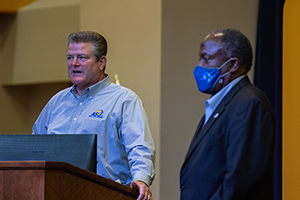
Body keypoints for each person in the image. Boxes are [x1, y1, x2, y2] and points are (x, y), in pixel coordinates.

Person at [32, 31, 155, 200]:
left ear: (101, 62)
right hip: (57, 193)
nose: (74, 63)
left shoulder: (124, 100)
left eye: (82, 57)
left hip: (107, 195)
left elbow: (139, 146)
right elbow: (35, 147)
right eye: (70, 58)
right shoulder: (56, 102)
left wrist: (141, 179)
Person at [180, 29, 275, 200]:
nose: (199, 65)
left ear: (233, 65)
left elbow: (241, 179)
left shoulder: (249, 102)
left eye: (206, 59)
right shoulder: (221, 104)